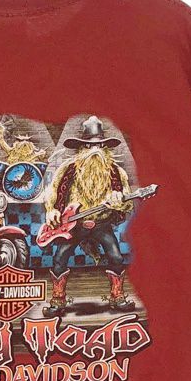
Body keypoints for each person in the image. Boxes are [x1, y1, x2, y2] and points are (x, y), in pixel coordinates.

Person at [43, 116, 135, 316]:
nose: (94, 150)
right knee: (59, 258)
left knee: (116, 257)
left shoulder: (116, 173)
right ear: (81, 148)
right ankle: (58, 300)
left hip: (101, 224)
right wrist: (52, 210)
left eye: (99, 145)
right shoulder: (68, 168)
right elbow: (53, 191)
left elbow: (127, 202)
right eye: (89, 146)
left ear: (105, 148)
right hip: (74, 225)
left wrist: (119, 201)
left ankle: (117, 296)